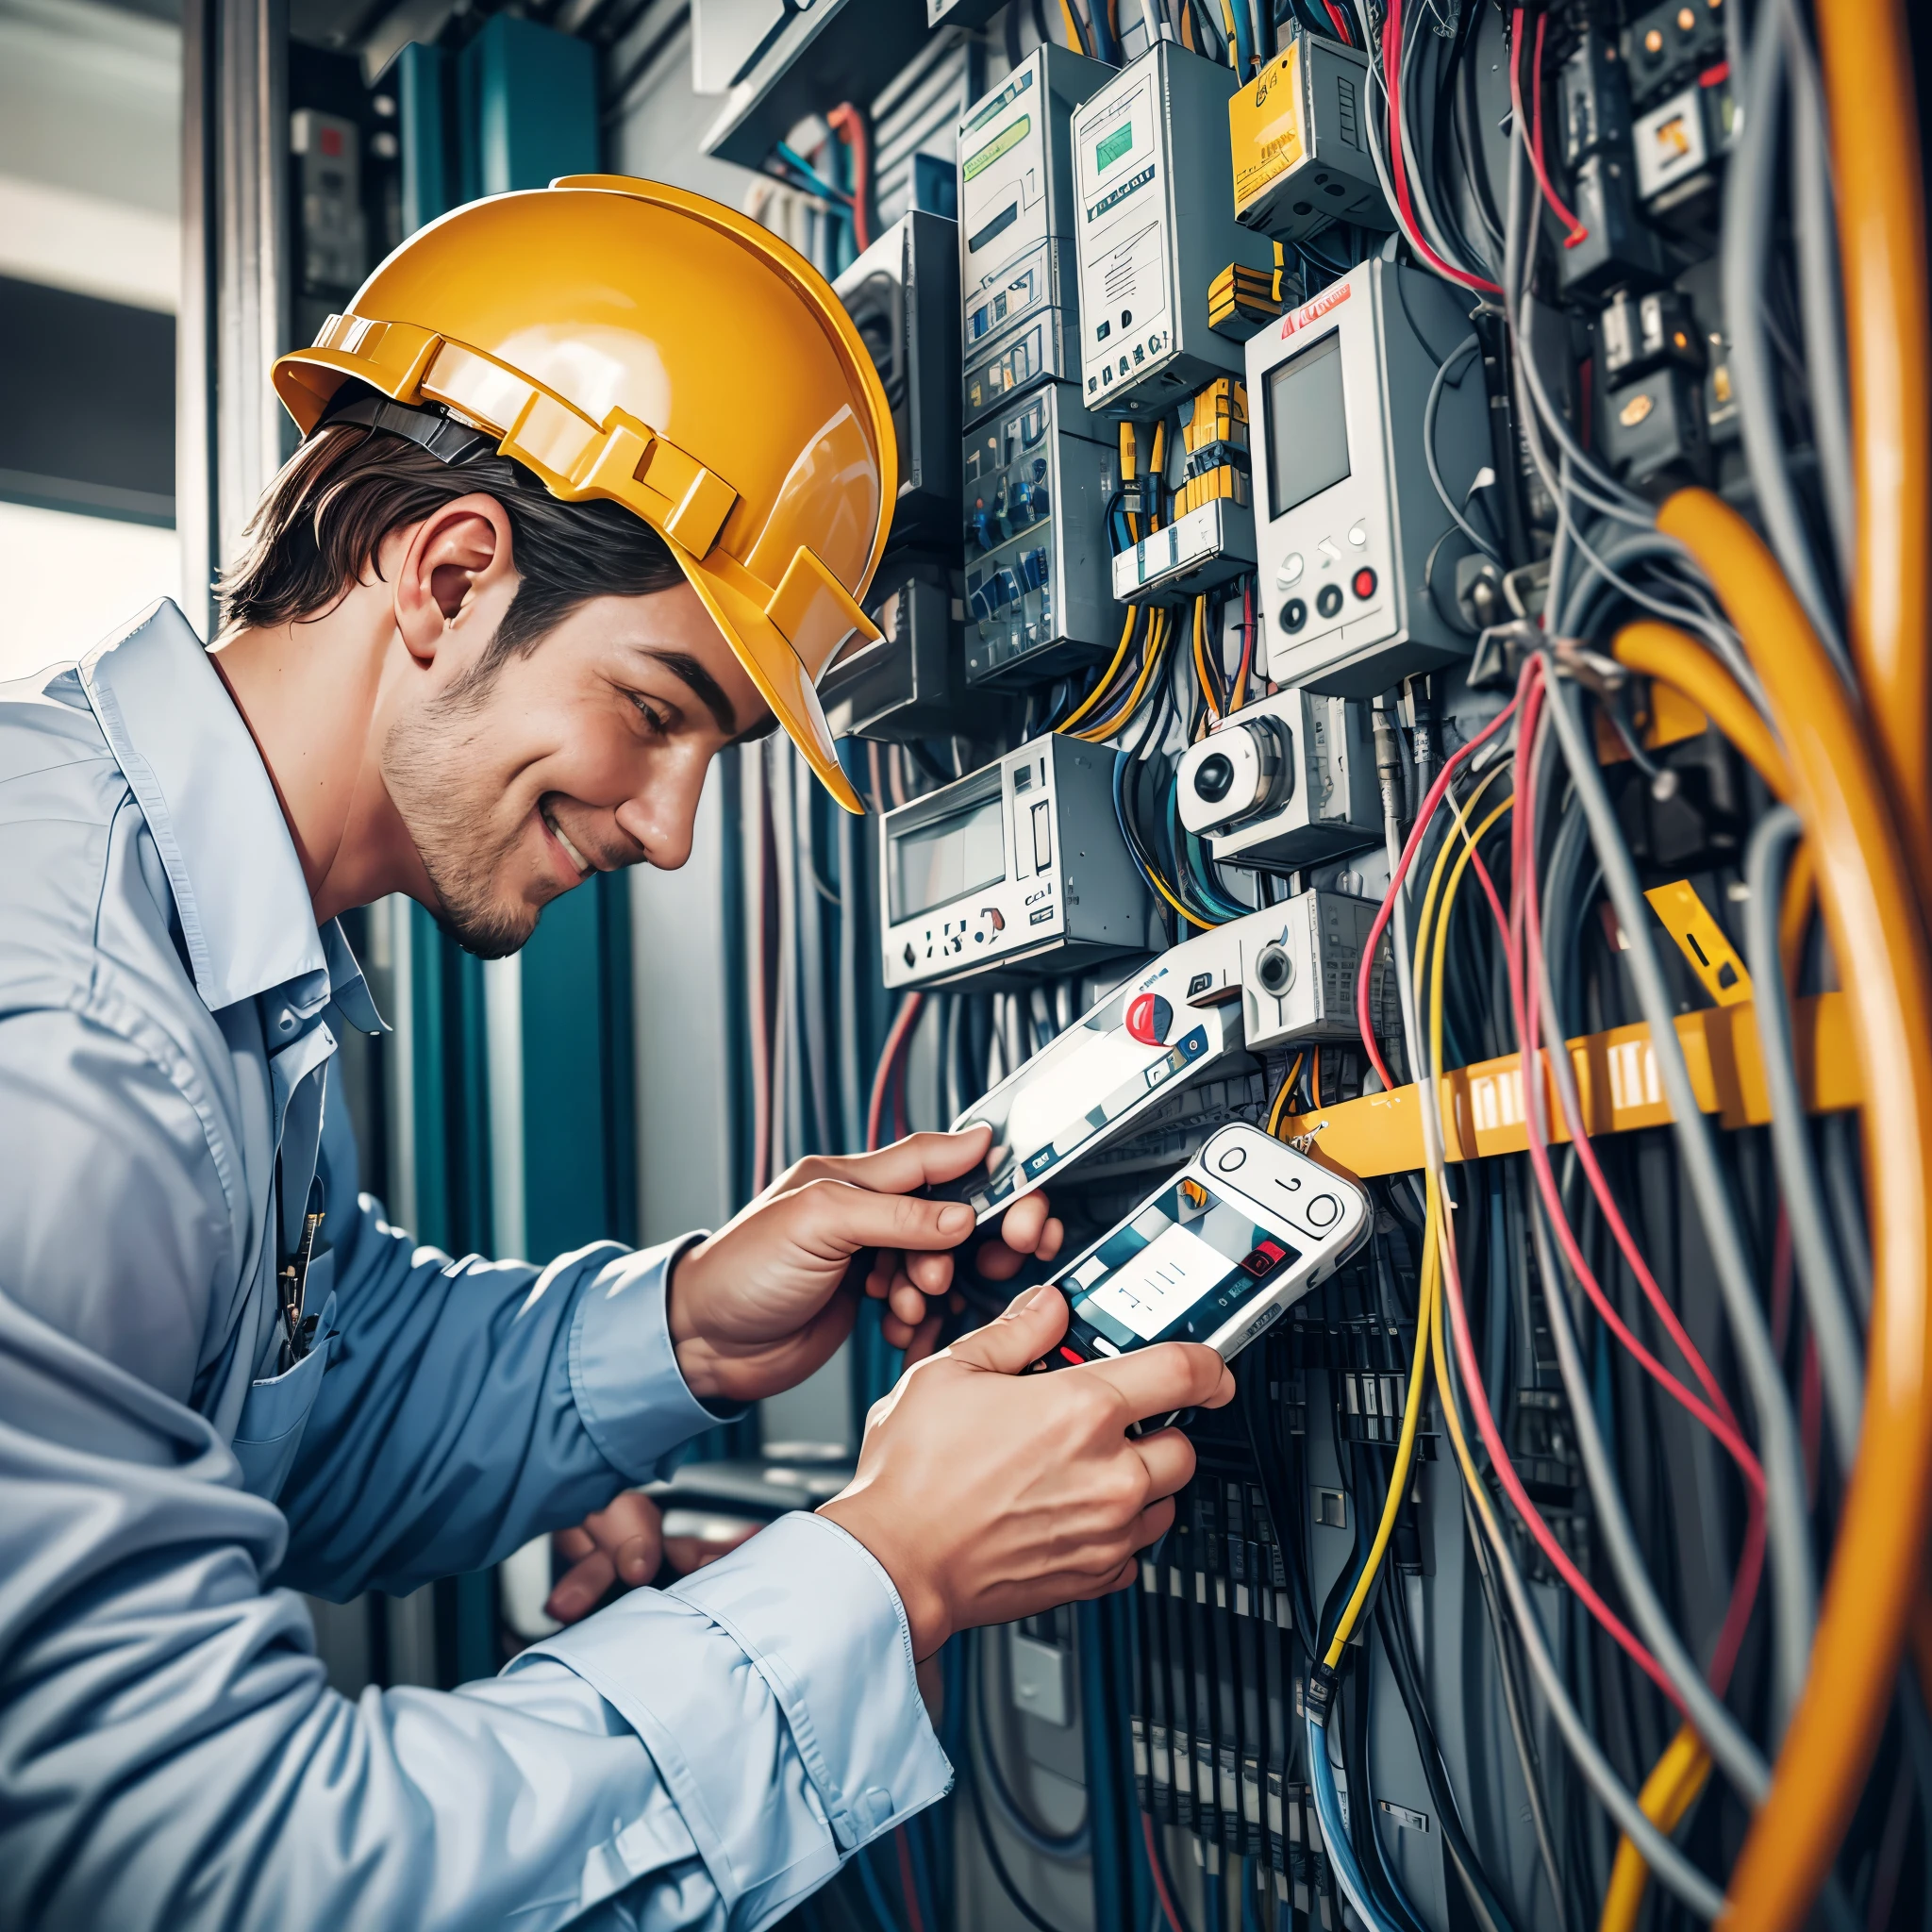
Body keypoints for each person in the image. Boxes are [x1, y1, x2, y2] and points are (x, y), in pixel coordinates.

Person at [0, 176, 1231, 1929]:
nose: (668, 831)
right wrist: (883, 1574)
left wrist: (688, 1324)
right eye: (655, 714)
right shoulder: (70, 1034)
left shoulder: (206, 953)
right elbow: (213, 1870)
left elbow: (302, 1414)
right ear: (444, 572)